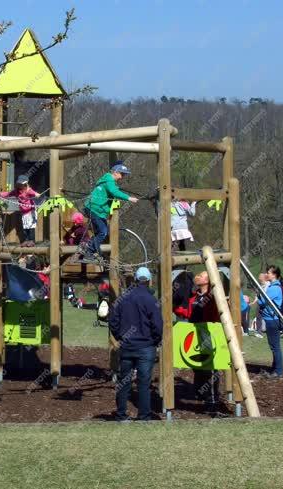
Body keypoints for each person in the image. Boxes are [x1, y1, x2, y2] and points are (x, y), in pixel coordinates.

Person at [109, 267, 162, 421]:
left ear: (136, 279)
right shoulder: (151, 300)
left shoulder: (123, 298)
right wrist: (156, 340)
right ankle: (144, 416)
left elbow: (113, 320)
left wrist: (120, 337)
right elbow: (158, 324)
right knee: (144, 383)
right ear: (149, 280)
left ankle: (121, 414)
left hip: (127, 346)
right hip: (146, 347)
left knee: (124, 381)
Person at [173, 271, 221, 405]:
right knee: (197, 366)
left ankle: (211, 398)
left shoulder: (213, 297)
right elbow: (187, 312)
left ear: (208, 280)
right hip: (195, 335)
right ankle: (200, 393)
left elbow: (215, 317)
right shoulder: (195, 297)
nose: (197, 276)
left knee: (209, 367)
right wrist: (174, 308)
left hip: (209, 335)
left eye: (201, 275)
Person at [84, 162, 138, 256]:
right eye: (122, 174)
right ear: (115, 172)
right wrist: (129, 198)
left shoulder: (109, 181)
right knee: (103, 232)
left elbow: (113, 191)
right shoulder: (109, 180)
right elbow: (114, 192)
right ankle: (89, 252)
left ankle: (89, 247)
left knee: (100, 232)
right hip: (94, 209)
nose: (122, 177)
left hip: (96, 210)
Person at [258, 265, 283, 379]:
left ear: (274, 275)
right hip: (271, 319)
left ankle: (278, 371)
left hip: (272, 320)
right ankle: (275, 368)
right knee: (274, 346)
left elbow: (262, 301)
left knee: (275, 346)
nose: (266, 274)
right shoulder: (274, 286)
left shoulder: (274, 288)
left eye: (268, 272)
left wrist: (259, 295)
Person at [0, 174, 39, 245]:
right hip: (24, 212)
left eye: (21, 184)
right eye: (19, 184)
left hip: (30, 211)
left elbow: (33, 193)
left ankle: (32, 240)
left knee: (31, 227)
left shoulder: (28, 190)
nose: (20, 186)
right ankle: (26, 240)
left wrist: (36, 194)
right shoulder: (16, 191)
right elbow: (8, 194)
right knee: (25, 227)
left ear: (25, 184)